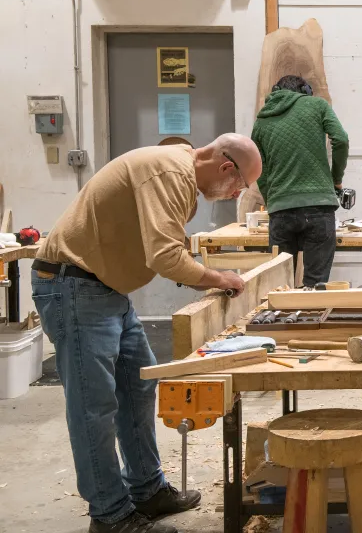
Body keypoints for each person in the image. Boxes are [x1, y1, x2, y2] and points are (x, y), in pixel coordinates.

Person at [31, 134, 262, 533]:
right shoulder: (169, 172)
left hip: (105, 289)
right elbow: (164, 255)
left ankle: (147, 489)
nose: (236, 193)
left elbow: (166, 244)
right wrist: (215, 277)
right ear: (227, 167)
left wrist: (204, 275)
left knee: (138, 385)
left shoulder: (181, 177)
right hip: (74, 285)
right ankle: (110, 515)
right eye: (240, 185)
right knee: (93, 406)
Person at [251, 75, 349, 287]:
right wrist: (335, 181)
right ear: (305, 91)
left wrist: (273, 200)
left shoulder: (262, 120)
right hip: (319, 208)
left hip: (280, 211)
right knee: (315, 288)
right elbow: (341, 139)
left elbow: (258, 167)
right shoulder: (317, 105)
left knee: (280, 286)